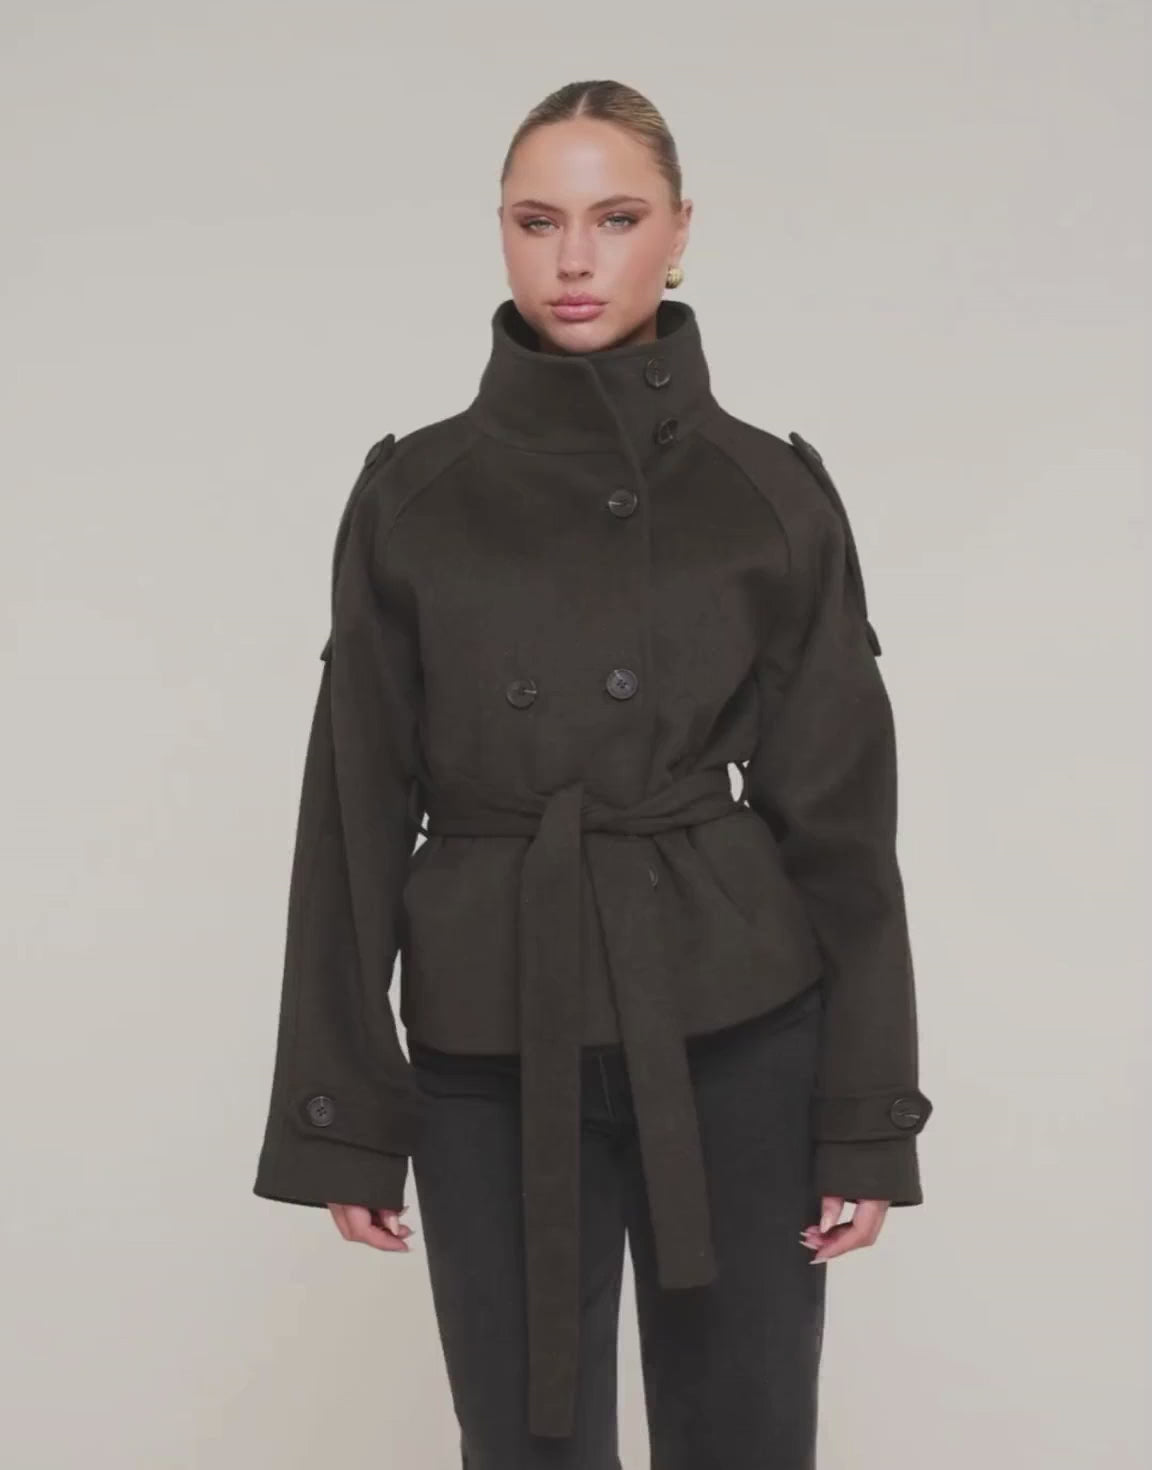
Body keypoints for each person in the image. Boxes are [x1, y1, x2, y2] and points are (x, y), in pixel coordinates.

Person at [251, 77, 933, 1470]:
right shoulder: (412, 496)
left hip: (739, 1022)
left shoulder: (769, 491)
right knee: (525, 1445)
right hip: (491, 1031)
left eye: (616, 219)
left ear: (679, 233)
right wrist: (344, 1114)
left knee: (745, 1439)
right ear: (500, 233)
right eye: (538, 220)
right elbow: (355, 810)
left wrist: (864, 1116)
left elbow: (844, 827)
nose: (575, 258)